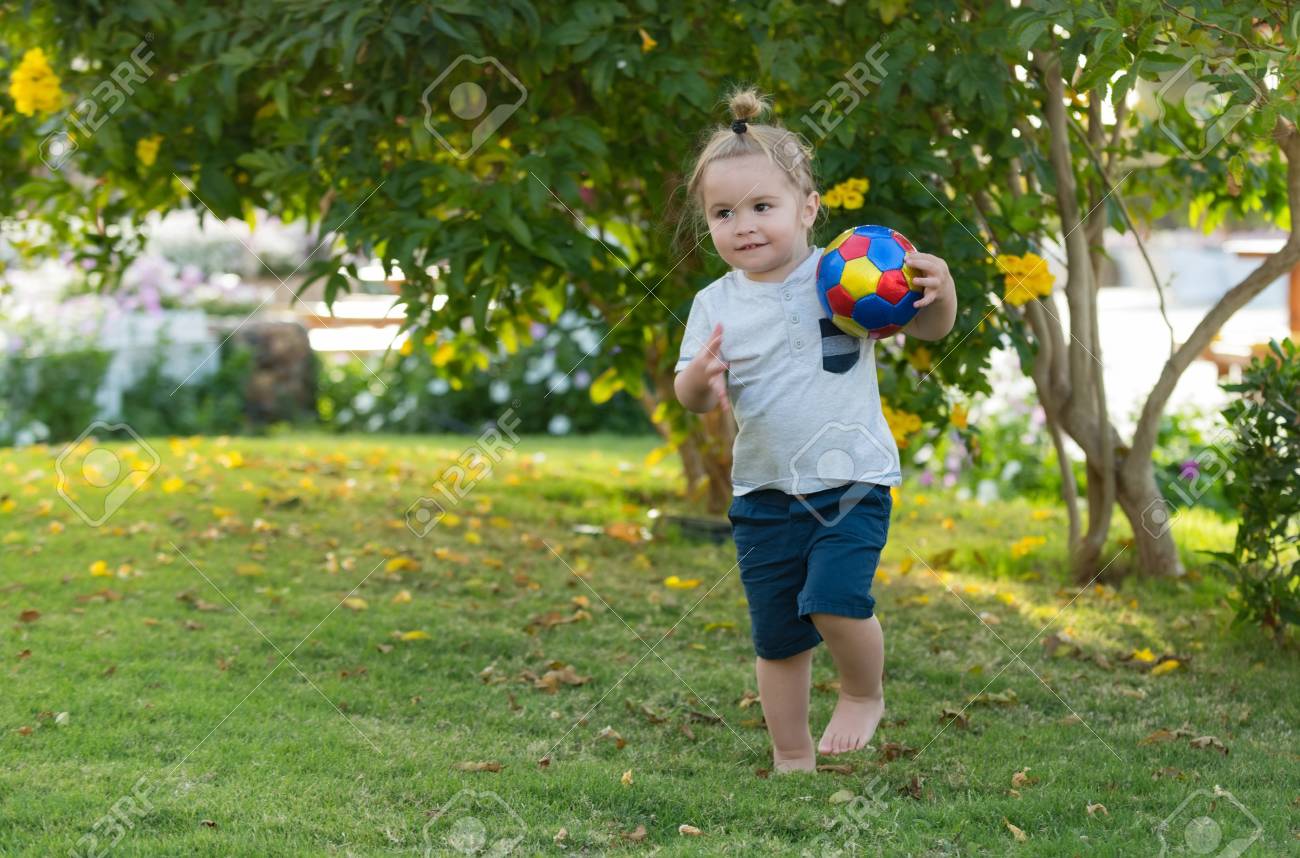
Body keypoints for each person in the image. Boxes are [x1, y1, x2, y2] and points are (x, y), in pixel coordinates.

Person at [672, 86, 957, 774]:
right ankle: (791, 752)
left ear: (808, 208)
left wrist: (941, 295)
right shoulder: (714, 303)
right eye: (723, 213)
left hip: (851, 480)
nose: (743, 225)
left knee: (834, 600)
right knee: (778, 638)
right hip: (764, 493)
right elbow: (689, 394)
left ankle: (863, 692)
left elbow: (924, 326)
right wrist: (699, 381)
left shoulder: (844, 272)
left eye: (762, 207)